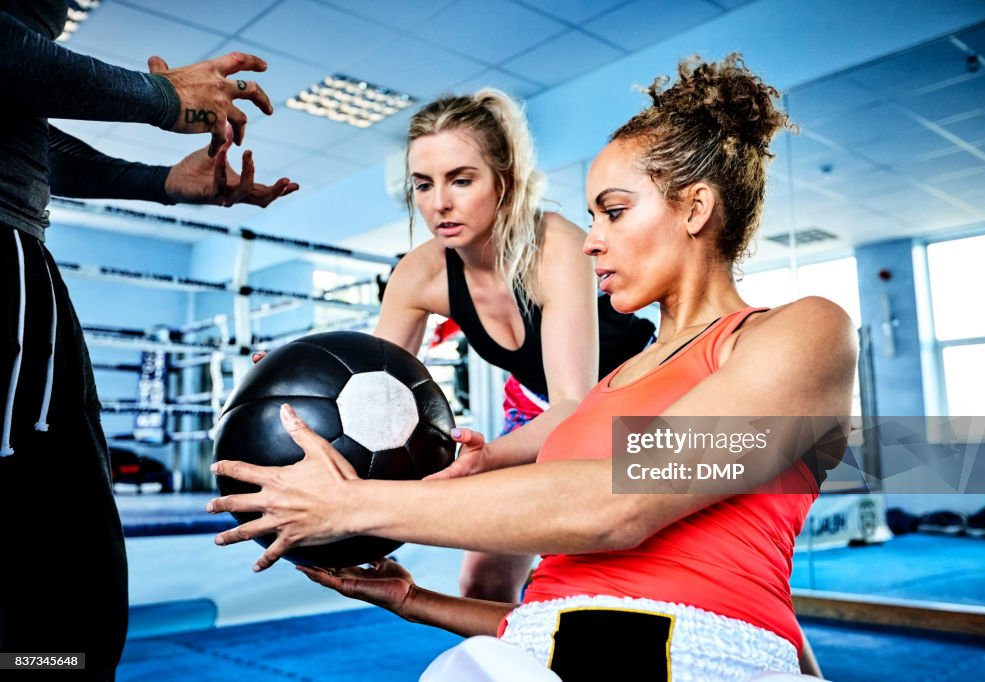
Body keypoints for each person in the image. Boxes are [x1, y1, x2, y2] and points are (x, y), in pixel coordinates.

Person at [210, 54, 856, 680]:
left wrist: (352, 505)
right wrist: (413, 599)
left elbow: (617, 508)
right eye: (592, 215)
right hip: (546, 646)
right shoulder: (602, 396)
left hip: (673, 650)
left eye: (615, 211)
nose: (593, 238)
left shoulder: (801, 331)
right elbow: (557, 607)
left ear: (694, 208)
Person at [0, 2, 297, 678]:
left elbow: (23, 125)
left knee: (59, 582)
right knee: (61, 586)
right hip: (6, 258)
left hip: (20, 256)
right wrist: (159, 96)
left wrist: (158, 181)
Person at [345, 88, 653, 602]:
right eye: (423, 185)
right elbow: (370, 393)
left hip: (641, 397)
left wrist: (487, 461)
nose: (438, 202)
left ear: (503, 183)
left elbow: (575, 407)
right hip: (539, 411)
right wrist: (304, 382)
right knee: (483, 583)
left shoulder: (554, 243)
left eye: (461, 180)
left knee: (691, 571)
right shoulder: (419, 274)